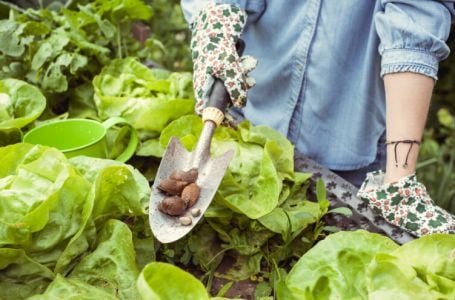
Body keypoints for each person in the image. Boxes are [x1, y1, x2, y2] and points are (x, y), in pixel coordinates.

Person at [180, 0, 455, 237]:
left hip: (349, 142)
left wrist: (399, 178)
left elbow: (413, 24)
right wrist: (214, 25)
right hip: (251, 112)